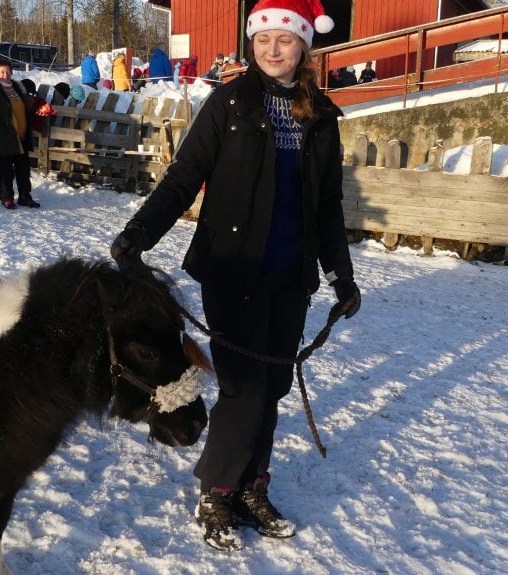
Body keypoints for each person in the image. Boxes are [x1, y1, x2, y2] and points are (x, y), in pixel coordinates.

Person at [109, 0, 358, 553]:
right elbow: (182, 179)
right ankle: (217, 489)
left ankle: (252, 486)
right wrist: (135, 237)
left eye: (286, 40)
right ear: (252, 42)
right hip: (233, 270)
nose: (274, 49)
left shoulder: (319, 115)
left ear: (304, 47)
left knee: (270, 387)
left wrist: (341, 275)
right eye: (264, 38)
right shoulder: (228, 104)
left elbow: (328, 207)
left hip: (290, 276)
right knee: (244, 388)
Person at [0, 59, 41, 209]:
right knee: (6, 170)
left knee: (23, 169)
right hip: (5, 138)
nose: (5, 74)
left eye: (7, 71)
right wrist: (5, 133)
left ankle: (25, 196)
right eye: (2, 71)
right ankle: (7, 198)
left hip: (21, 136)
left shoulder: (17, 88)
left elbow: (24, 108)